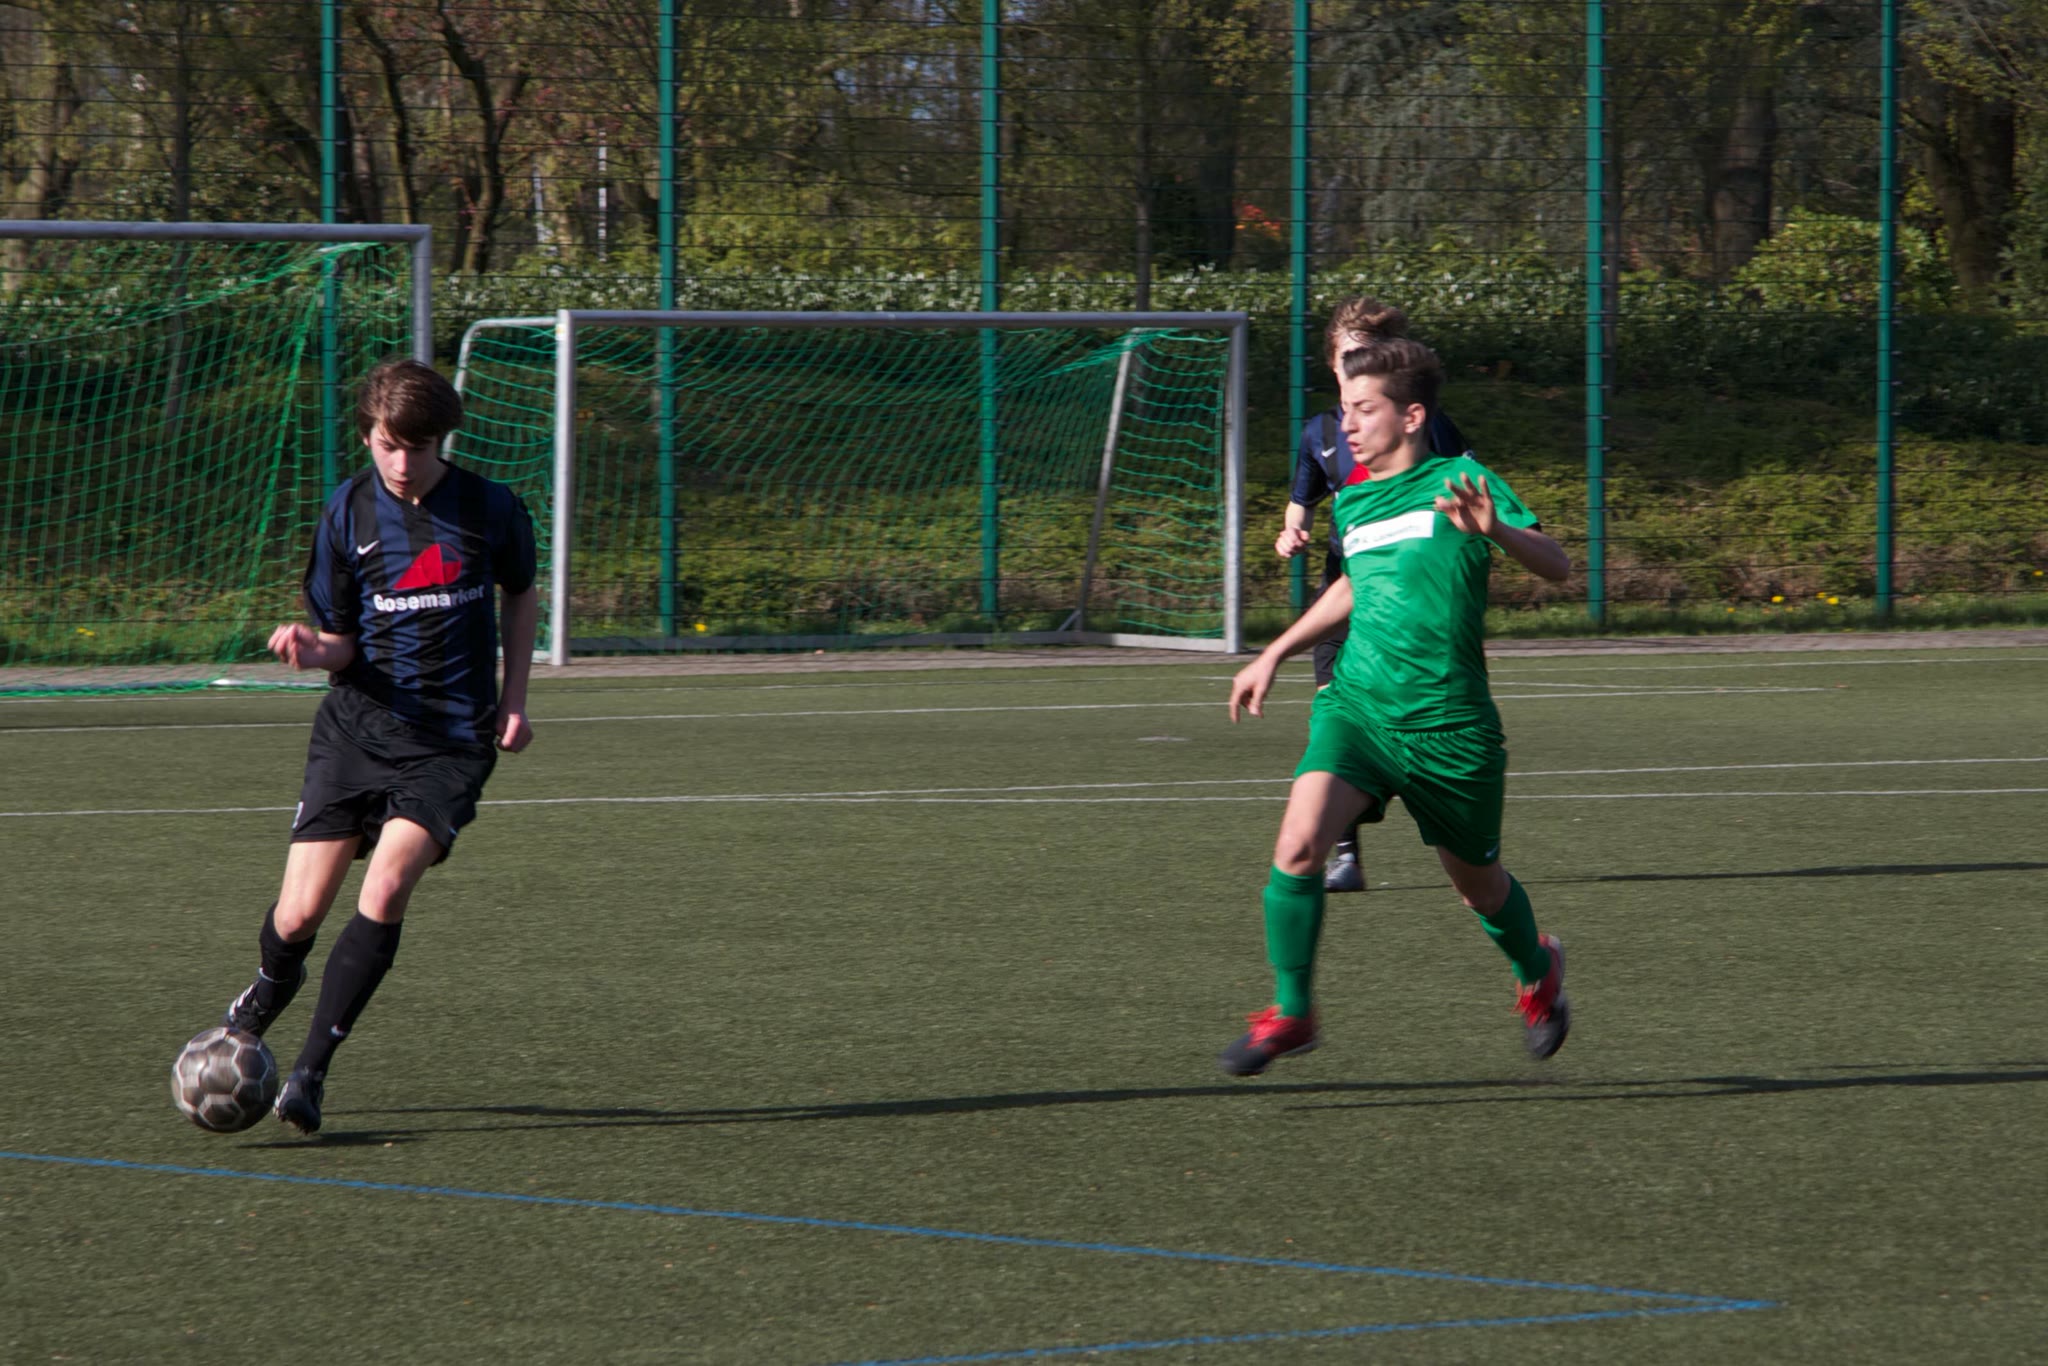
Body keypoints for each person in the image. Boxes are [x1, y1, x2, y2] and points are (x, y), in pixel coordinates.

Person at [1220, 335, 1572, 1078]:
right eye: (1343, 408)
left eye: (1363, 409)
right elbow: (1354, 586)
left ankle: (1538, 971)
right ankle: (1293, 1011)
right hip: (1360, 710)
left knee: (1479, 888)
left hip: (1451, 727)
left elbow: (1558, 565)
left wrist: (1496, 531)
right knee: (1298, 845)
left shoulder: (1463, 480)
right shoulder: (1351, 500)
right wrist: (1273, 652)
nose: (1346, 424)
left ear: (1411, 416)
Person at [212, 358, 539, 1134]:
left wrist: (516, 700)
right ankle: (269, 987)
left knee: (387, 888)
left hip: (451, 742)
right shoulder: (347, 514)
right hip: (356, 730)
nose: (401, 463)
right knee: (298, 915)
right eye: (388, 445)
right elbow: (343, 643)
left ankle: (309, 1074)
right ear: (367, 435)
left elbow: (522, 593)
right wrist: (310, 648)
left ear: (441, 441)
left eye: (417, 448)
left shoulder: (490, 508)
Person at [1276, 297, 1471, 894]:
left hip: (1407, 597)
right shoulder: (1320, 433)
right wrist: (1290, 532)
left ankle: (1455, 834)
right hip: (1342, 586)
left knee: (1410, 718)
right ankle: (1345, 856)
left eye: (1370, 354)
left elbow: (1467, 488)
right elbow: (1301, 502)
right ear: (1331, 364)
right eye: (1347, 357)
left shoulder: (1423, 424)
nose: (1356, 366)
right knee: (1332, 716)